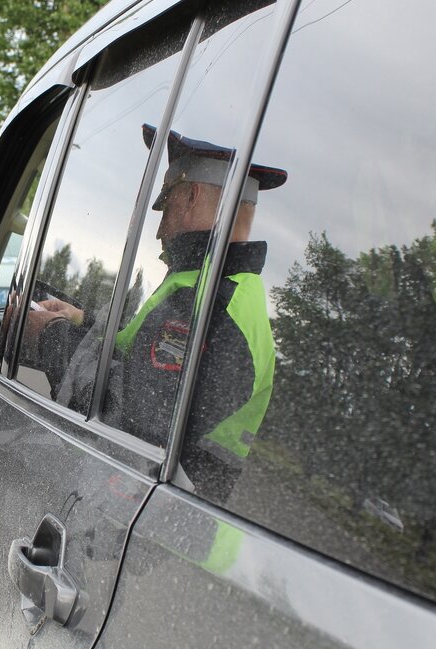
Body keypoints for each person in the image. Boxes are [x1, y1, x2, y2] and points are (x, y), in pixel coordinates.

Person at [25, 126, 285, 500]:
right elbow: (144, 362)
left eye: (166, 203)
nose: (159, 226)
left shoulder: (214, 303)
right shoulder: (204, 284)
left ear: (192, 195)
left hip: (170, 539)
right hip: (152, 514)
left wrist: (50, 334)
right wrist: (81, 320)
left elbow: (126, 418)